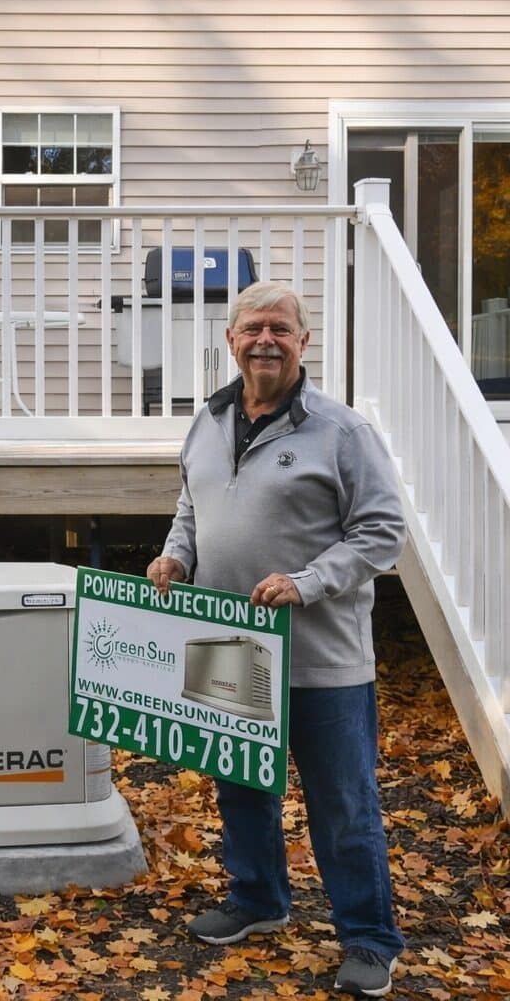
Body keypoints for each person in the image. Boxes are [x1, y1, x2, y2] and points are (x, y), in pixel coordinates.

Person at [146, 281, 406, 998]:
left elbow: (383, 531)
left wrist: (308, 581)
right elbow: (191, 507)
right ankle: (258, 899)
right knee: (241, 787)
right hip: (227, 646)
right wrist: (175, 557)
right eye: (253, 327)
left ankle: (370, 938)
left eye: (281, 329)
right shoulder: (207, 421)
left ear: (302, 342)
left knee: (343, 805)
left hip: (322, 661)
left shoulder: (341, 431)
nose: (266, 339)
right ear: (231, 340)